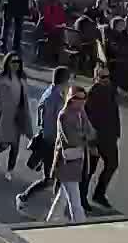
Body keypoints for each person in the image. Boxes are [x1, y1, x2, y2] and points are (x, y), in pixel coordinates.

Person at [16, 66, 71, 214]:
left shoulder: (50, 93)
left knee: (58, 176)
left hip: (50, 141)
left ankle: (57, 204)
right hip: (51, 142)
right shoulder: (55, 99)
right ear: (65, 80)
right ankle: (24, 197)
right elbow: (52, 123)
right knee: (49, 178)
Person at [47, 87, 92, 223]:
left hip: (77, 159)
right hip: (66, 161)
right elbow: (70, 139)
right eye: (79, 98)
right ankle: (80, 224)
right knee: (75, 199)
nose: (82, 101)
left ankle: (51, 220)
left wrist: (84, 135)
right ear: (71, 100)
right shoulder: (64, 115)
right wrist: (84, 136)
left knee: (63, 195)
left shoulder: (81, 113)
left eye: (84, 98)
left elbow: (90, 131)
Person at [0, 52, 31, 178]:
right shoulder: (0, 77)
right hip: (6, 114)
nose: (15, 64)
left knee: (15, 145)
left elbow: (24, 97)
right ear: (7, 63)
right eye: (13, 61)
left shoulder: (22, 78)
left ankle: (10, 170)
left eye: (18, 62)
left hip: (18, 115)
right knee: (5, 143)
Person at [84, 71, 120, 211]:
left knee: (112, 164)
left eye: (108, 77)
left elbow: (115, 113)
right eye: (103, 77)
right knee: (90, 169)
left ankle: (99, 193)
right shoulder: (92, 94)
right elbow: (88, 119)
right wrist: (91, 142)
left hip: (110, 136)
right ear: (96, 78)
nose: (106, 80)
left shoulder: (111, 91)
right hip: (96, 137)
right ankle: (82, 197)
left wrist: (117, 132)